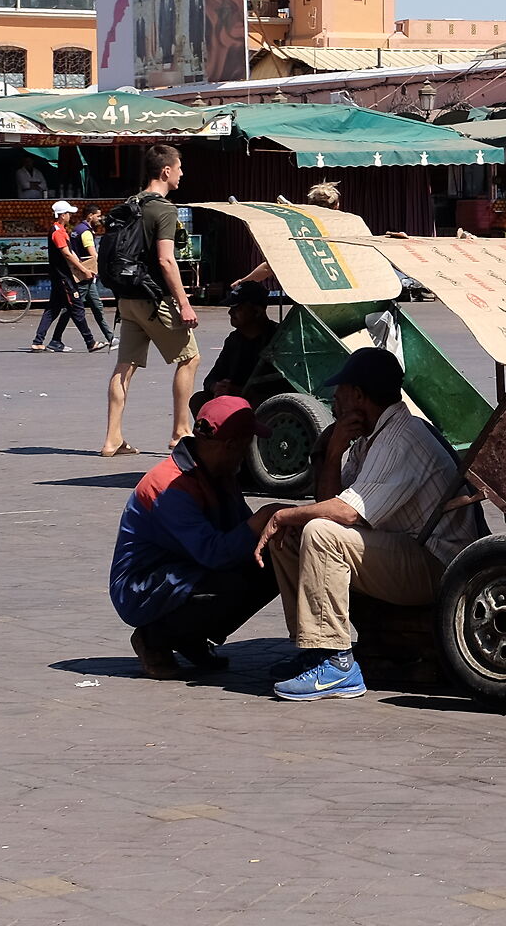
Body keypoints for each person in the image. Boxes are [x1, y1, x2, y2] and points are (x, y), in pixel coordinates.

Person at [255, 347, 483, 701]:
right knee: (293, 533)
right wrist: (332, 454)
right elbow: (330, 504)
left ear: (358, 395)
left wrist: (281, 513)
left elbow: (346, 514)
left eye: (340, 393)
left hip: (439, 565)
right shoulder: (370, 437)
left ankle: (337, 663)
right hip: (404, 550)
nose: (333, 400)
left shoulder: (400, 438)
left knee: (318, 532)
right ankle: (315, 649)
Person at [111, 395, 281, 678]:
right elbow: (215, 553)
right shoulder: (168, 487)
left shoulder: (219, 472)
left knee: (272, 563)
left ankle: (190, 637)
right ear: (231, 446)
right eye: (246, 443)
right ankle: (154, 638)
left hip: (184, 569)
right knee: (237, 581)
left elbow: (239, 531)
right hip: (142, 587)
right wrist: (263, 518)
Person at [102, 145, 201, 460]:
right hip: (153, 299)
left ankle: (112, 439)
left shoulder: (130, 204)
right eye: (180, 168)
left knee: (125, 366)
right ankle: (181, 430)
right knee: (190, 358)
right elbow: (166, 260)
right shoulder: (164, 210)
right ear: (166, 171)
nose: (183, 174)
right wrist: (184, 303)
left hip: (126, 299)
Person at [30, 200, 104, 353]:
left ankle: (39, 341)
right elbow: (67, 255)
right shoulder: (57, 232)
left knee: (53, 309)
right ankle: (90, 342)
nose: (70, 216)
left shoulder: (62, 231)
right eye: (68, 213)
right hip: (64, 278)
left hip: (60, 277)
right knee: (77, 308)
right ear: (62, 215)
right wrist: (83, 270)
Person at [203, 280, 277, 405]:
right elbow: (211, 378)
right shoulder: (234, 340)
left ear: (257, 311)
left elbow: (284, 388)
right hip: (233, 401)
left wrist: (243, 392)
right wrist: (216, 387)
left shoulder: (277, 339)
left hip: (265, 405)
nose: (230, 312)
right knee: (199, 399)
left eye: (238, 308)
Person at [71, 210, 115, 348]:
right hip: (85, 275)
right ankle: (54, 339)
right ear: (90, 215)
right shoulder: (85, 232)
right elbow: (93, 254)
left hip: (86, 276)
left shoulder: (77, 229)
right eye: (97, 215)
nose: (99, 218)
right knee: (71, 308)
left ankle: (110, 337)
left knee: (97, 306)